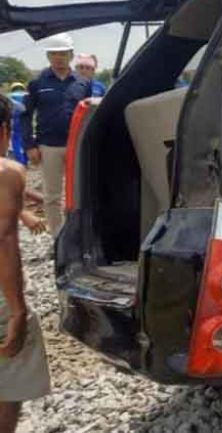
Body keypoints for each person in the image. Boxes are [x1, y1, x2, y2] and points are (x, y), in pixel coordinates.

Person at [0, 95, 52, 433]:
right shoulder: (7, 173)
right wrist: (17, 312)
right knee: (10, 369)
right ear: (4, 131)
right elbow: (3, 244)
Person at [21, 33, 91, 235]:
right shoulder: (37, 83)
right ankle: (58, 238)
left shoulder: (82, 83)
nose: (57, 57)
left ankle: (79, 235)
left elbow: (89, 113)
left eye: (62, 53)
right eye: (53, 54)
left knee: (79, 192)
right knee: (52, 196)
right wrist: (30, 145)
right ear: (48, 56)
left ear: (71, 55)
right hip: (49, 146)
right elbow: (26, 115)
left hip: (77, 146)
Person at [6, 85, 26, 165]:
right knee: (25, 139)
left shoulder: (9, 96)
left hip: (14, 119)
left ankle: (19, 160)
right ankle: (25, 159)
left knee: (16, 140)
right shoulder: (27, 95)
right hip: (25, 119)